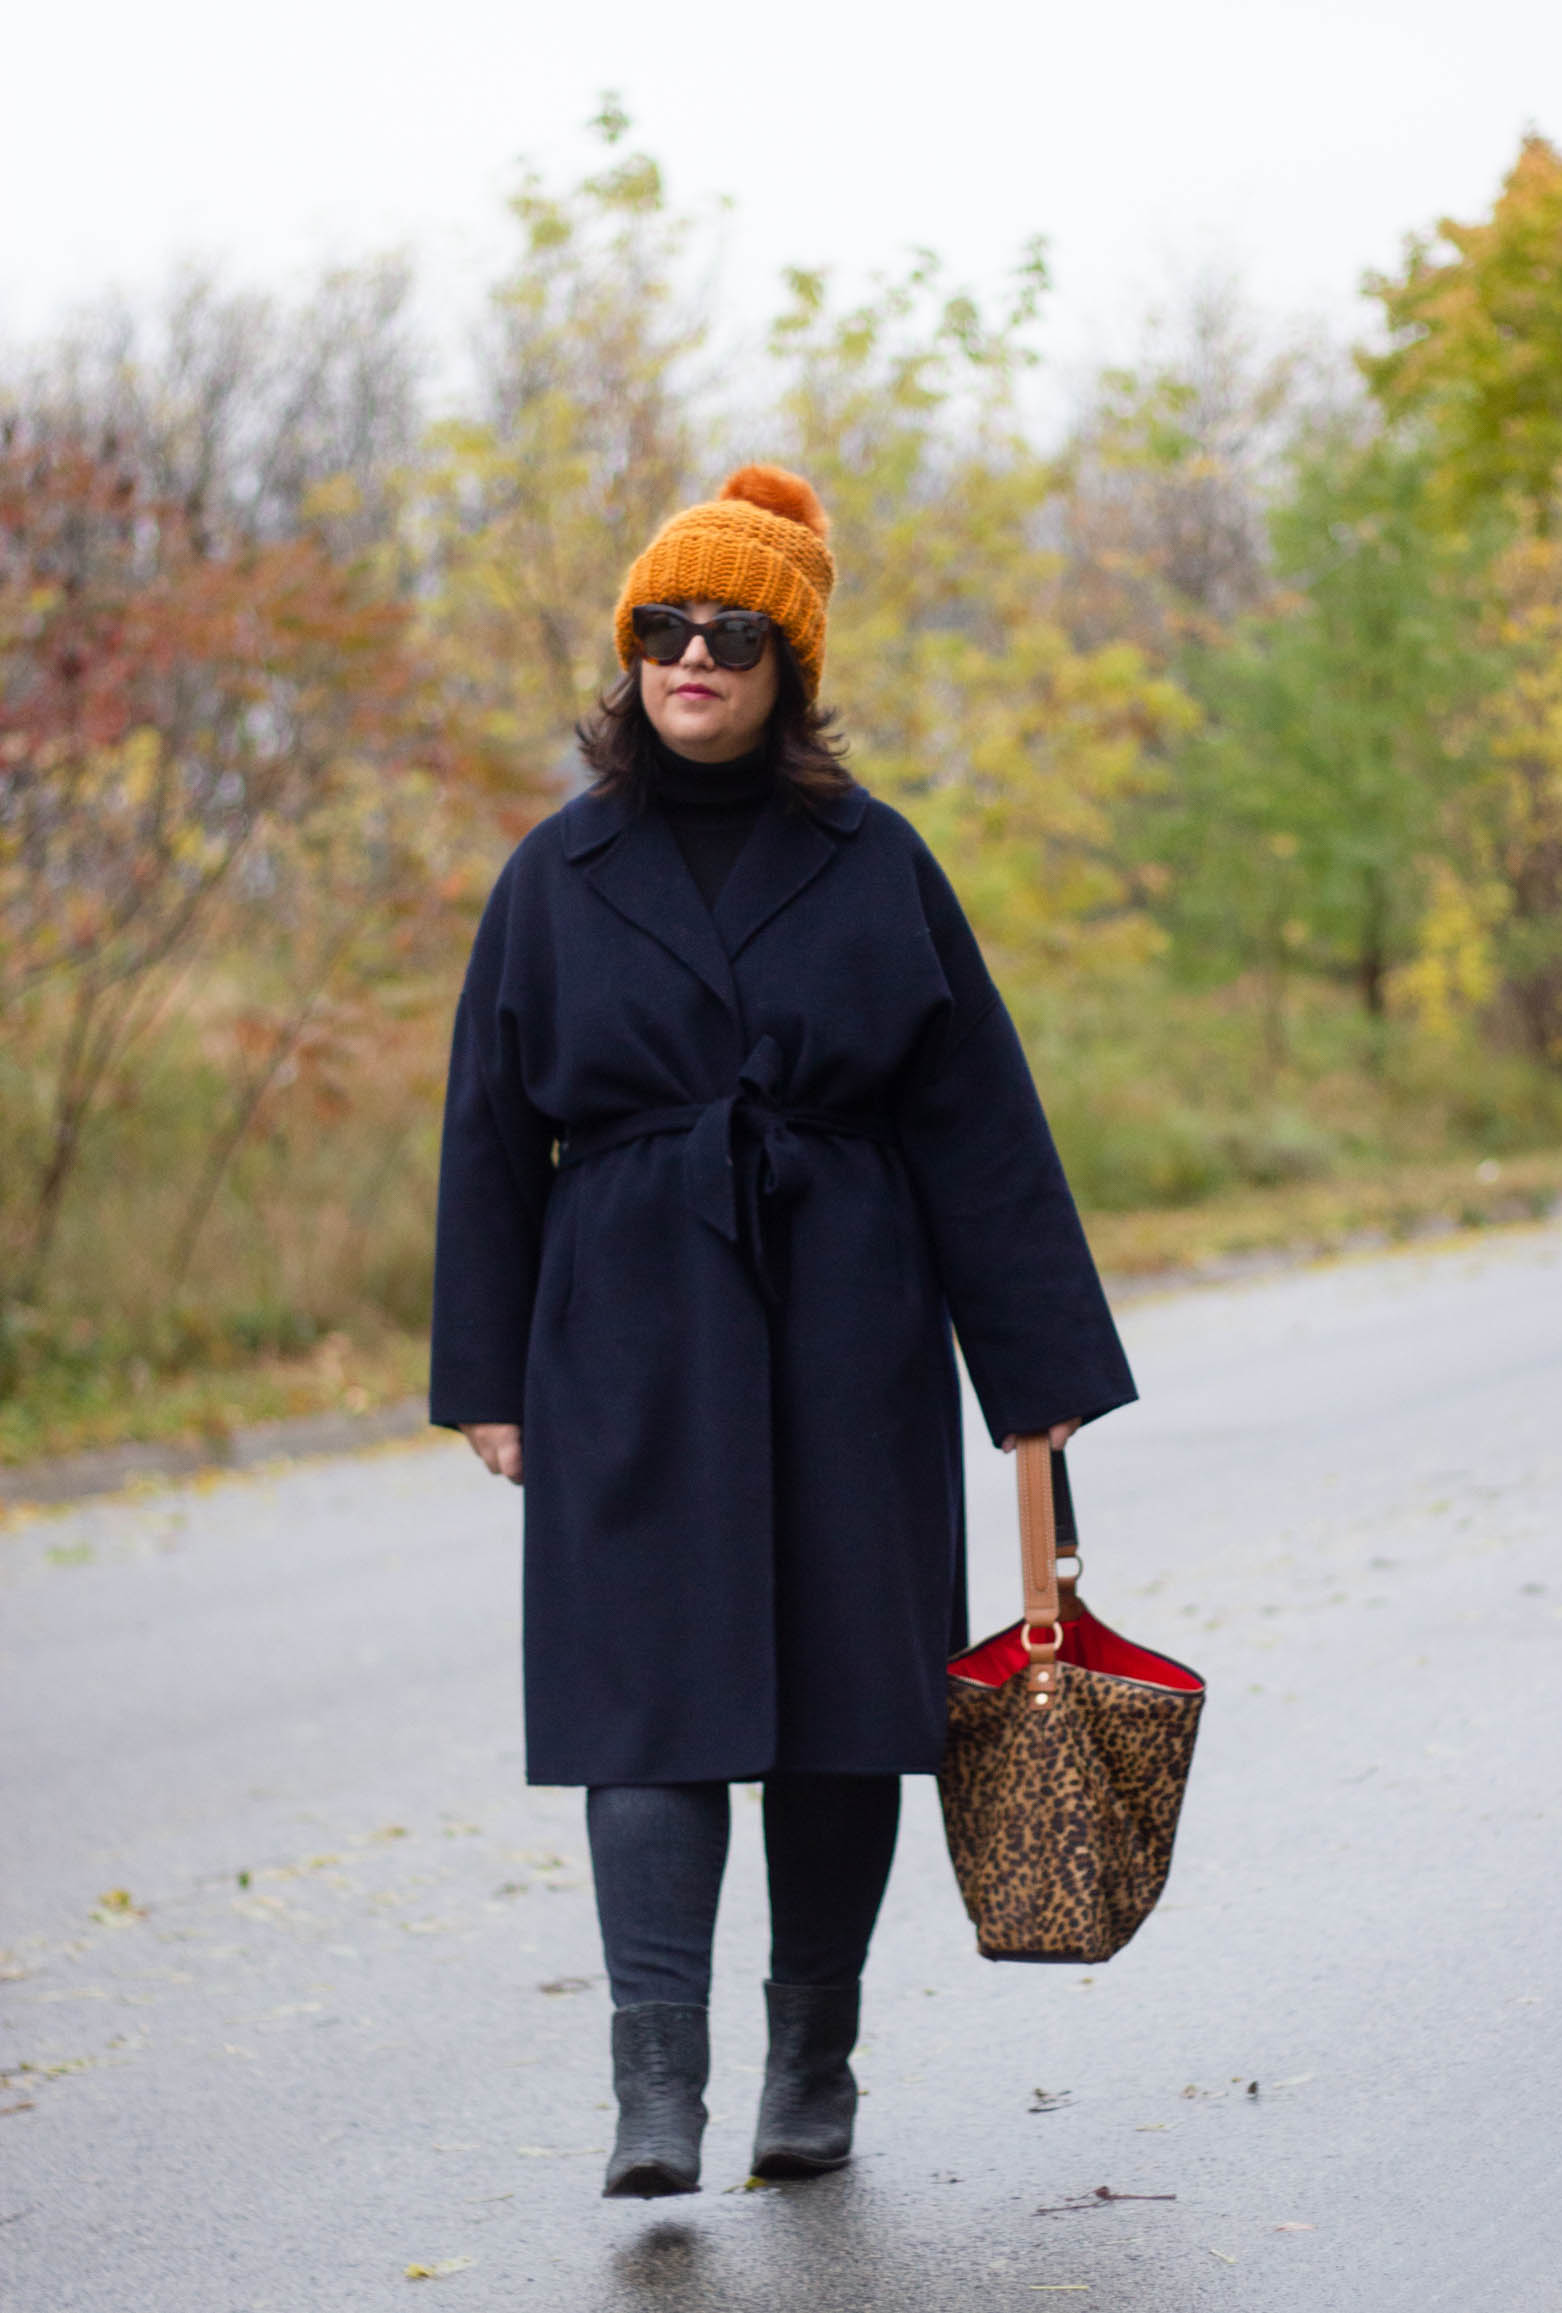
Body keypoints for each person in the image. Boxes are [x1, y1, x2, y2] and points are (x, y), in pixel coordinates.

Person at [428, 465, 1135, 2199]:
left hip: (847, 1317)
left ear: (786, 663)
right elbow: (485, 1129)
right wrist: (486, 1377)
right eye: (662, 629)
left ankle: (810, 2069)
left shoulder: (877, 860)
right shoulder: (556, 871)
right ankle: (653, 2093)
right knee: (644, 1706)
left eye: (730, 633)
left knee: (841, 1704)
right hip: (626, 1326)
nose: (692, 657)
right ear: (630, 656)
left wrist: (1032, 1389)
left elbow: (980, 1123)